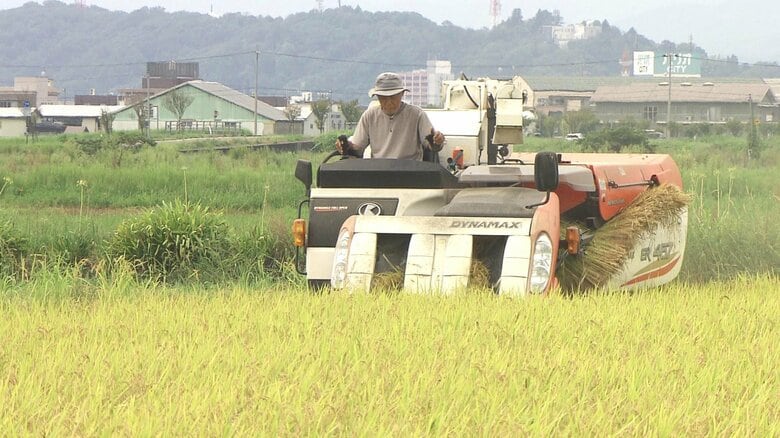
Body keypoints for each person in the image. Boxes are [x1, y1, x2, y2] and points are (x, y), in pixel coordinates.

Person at [336, 72, 445, 160]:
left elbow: (431, 145)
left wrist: (436, 141)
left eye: (393, 97)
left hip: (411, 172)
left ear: (402, 94)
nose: (389, 102)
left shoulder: (416, 115)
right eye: (383, 98)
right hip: (379, 173)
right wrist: (346, 146)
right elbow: (357, 148)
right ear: (377, 97)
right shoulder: (369, 116)